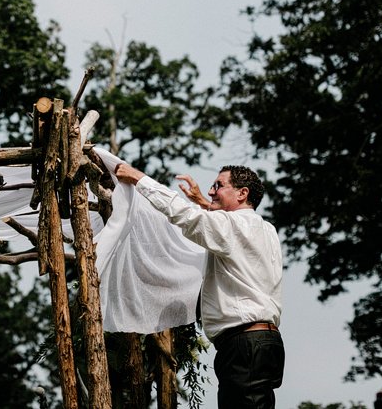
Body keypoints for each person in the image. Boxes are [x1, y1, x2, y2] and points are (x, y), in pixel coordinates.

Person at [114, 162, 284, 409]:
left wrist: (138, 178)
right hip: (265, 343)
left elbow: (186, 216)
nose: (212, 191)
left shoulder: (232, 227)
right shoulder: (265, 229)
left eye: (219, 185)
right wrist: (205, 203)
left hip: (243, 344)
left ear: (242, 193)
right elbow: (222, 225)